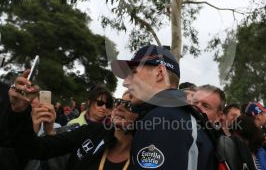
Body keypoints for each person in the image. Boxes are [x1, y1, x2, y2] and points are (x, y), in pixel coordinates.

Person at [7, 70, 139, 169]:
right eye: (119, 101)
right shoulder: (91, 131)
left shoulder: (148, 154)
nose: (120, 107)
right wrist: (18, 112)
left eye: (129, 105)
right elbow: (35, 149)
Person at [111, 44, 215, 169]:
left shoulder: (162, 119)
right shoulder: (180, 114)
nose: (125, 82)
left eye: (134, 72)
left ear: (160, 73)